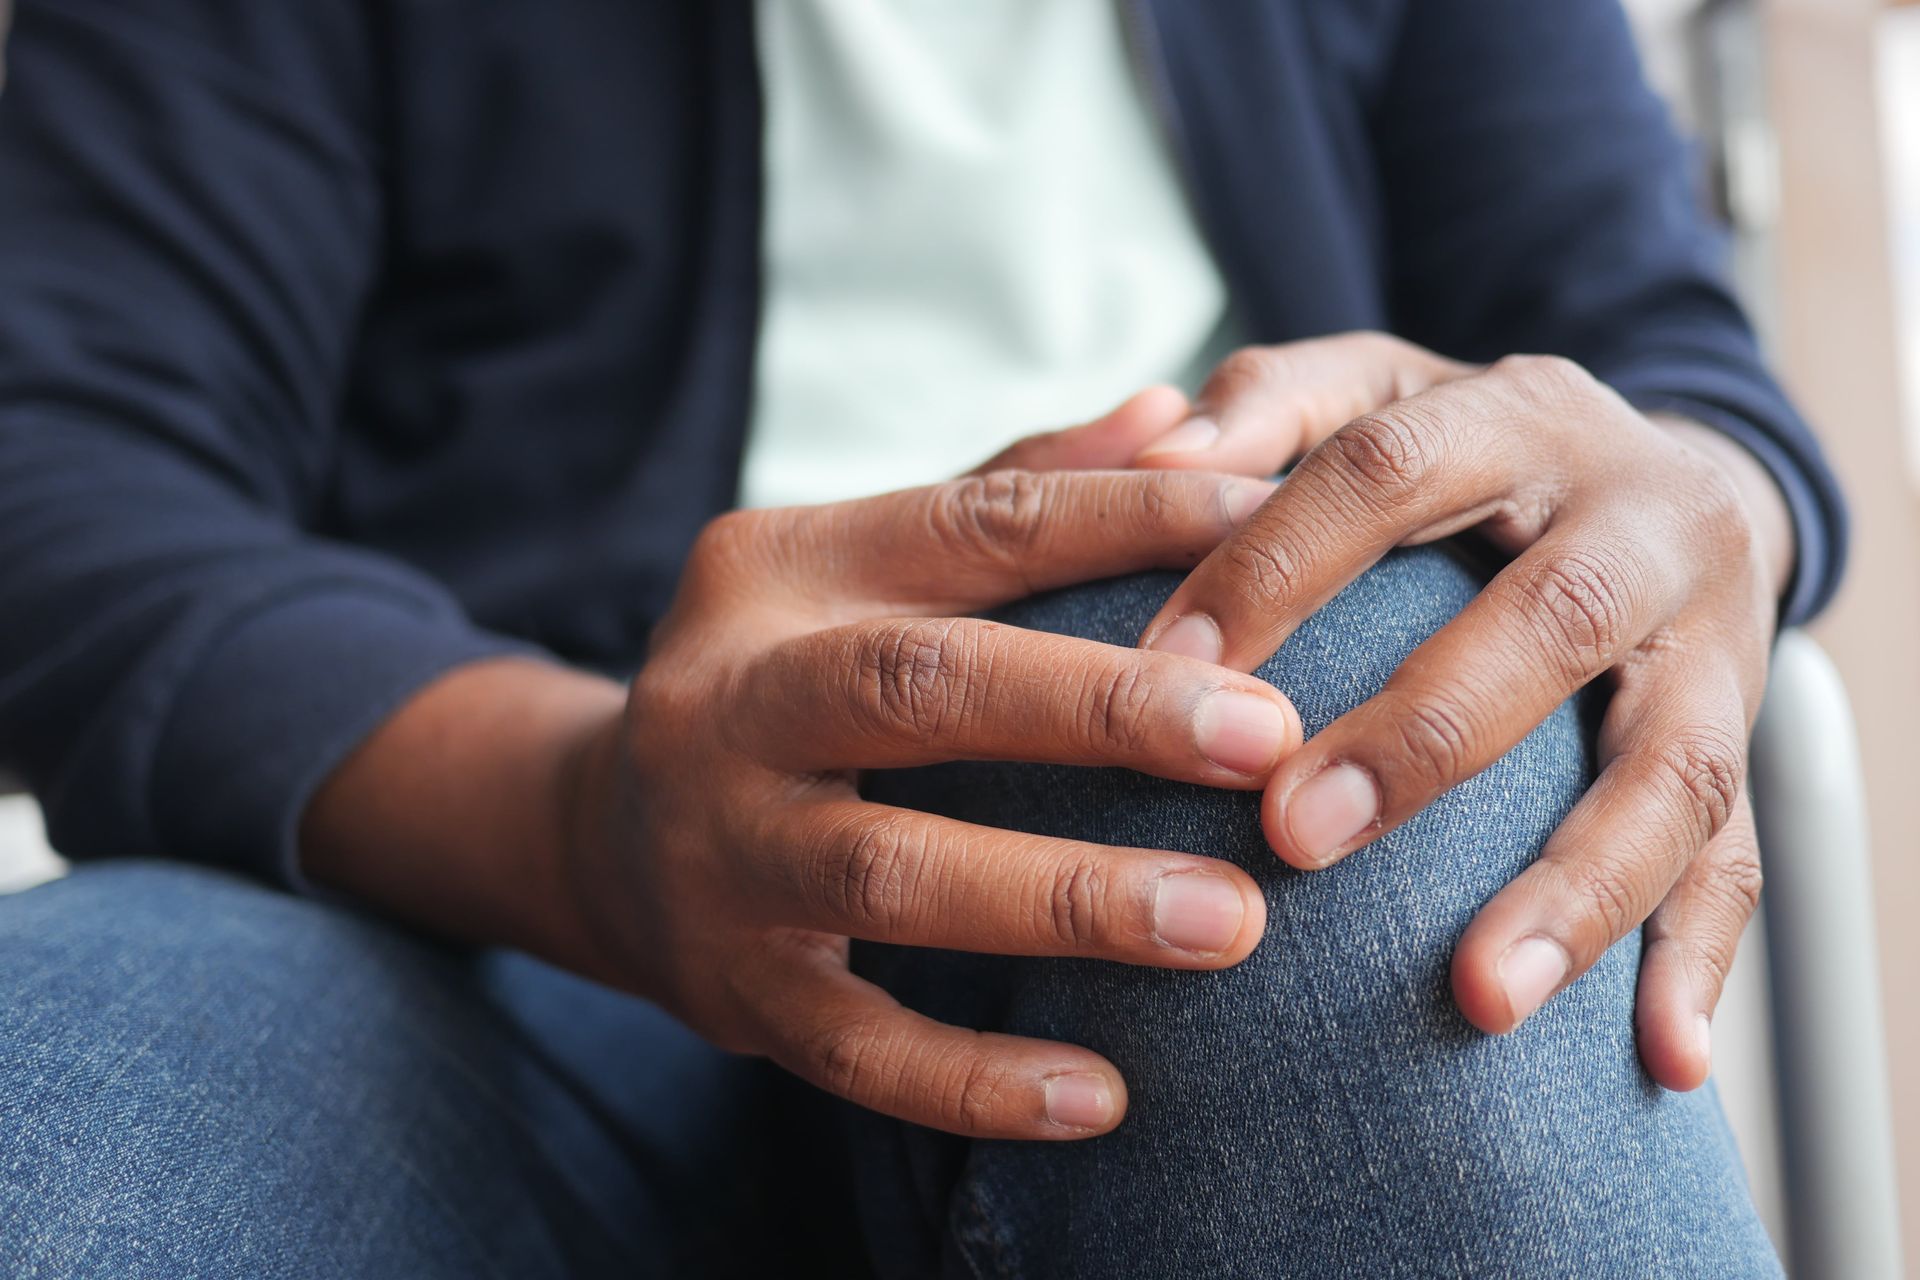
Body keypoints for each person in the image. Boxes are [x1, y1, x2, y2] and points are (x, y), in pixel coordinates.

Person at [0, 0, 1843, 1275]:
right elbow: (69, 473)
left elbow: (1671, 380)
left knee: (1276, 756)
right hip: (478, 902)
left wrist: (1681, 520)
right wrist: (589, 818)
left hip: (1245, 895)